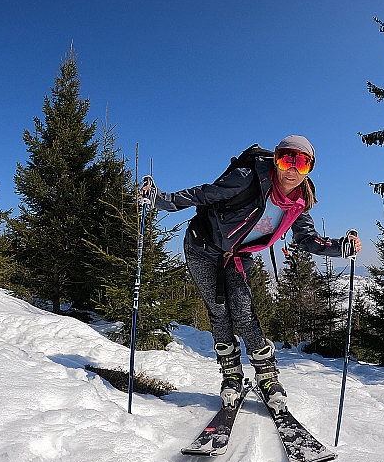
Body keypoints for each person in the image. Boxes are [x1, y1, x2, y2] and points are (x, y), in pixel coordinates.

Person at [142, 135, 361, 413]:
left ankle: (268, 378)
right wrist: (161, 200)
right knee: (219, 311)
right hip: (201, 246)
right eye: (286, 160)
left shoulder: (300, 201)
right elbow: (205, 193)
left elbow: (307, 239)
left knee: (244, 313)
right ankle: (231, 377)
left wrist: (339, 247)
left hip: (236, 255)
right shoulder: (247, 177)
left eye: (302, 164)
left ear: (310, 169)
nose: (292, 170)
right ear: (276, 159)